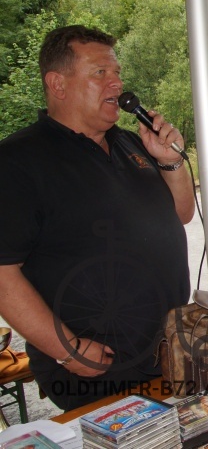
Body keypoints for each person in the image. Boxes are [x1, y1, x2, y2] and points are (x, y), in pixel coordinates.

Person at [0, 25, 193, 411]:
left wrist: (171, 162)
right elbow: (3, 274)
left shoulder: (131, 143)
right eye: (100, 73)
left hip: (167, 346)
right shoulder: (18, 161)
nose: (116, 84)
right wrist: (68, 350)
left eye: (117, 73)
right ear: (57, 84)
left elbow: (182, 213)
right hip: (97, 364)